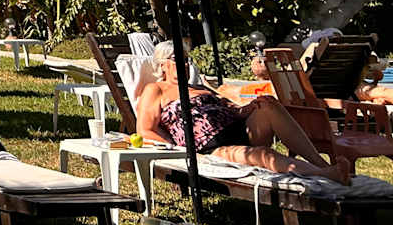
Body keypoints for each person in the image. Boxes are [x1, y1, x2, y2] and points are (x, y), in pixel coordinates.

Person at [135, 41, 350, 182]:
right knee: (265, 155)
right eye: (177, 59)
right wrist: (177, 148)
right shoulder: (156, 89)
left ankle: (322, 164)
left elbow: (230, 108)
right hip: (210, 147)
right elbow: (144, 130)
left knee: (268, 103)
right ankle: (324, 174)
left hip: (238, 128)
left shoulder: (199, 87)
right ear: (162, 65)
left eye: (186, 59)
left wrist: (248, 108)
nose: (184, 64)